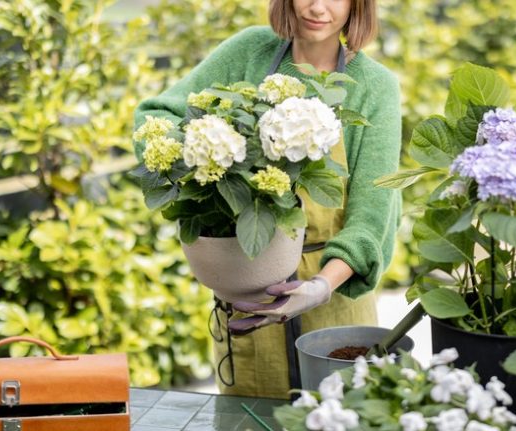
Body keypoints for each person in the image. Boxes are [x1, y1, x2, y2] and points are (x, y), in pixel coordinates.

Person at [133, 0, 401, 399]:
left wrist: (319, 288)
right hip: (250, 297)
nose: (317, 7)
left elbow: (371, 217)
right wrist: (208, 149)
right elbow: (156, 115)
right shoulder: (251, 51)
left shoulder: (374, 85)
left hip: (332, 301)